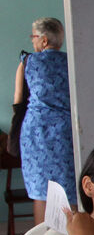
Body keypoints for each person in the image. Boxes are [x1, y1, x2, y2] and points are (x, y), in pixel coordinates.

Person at [19, 17, 76, 223]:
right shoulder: (73, 62)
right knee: (70, 189)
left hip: (37, 133)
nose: (32, 42)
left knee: (41, 192)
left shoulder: (28, 62)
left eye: (33, 37)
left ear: (43, 40)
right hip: (66, 132)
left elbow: (18, 101)